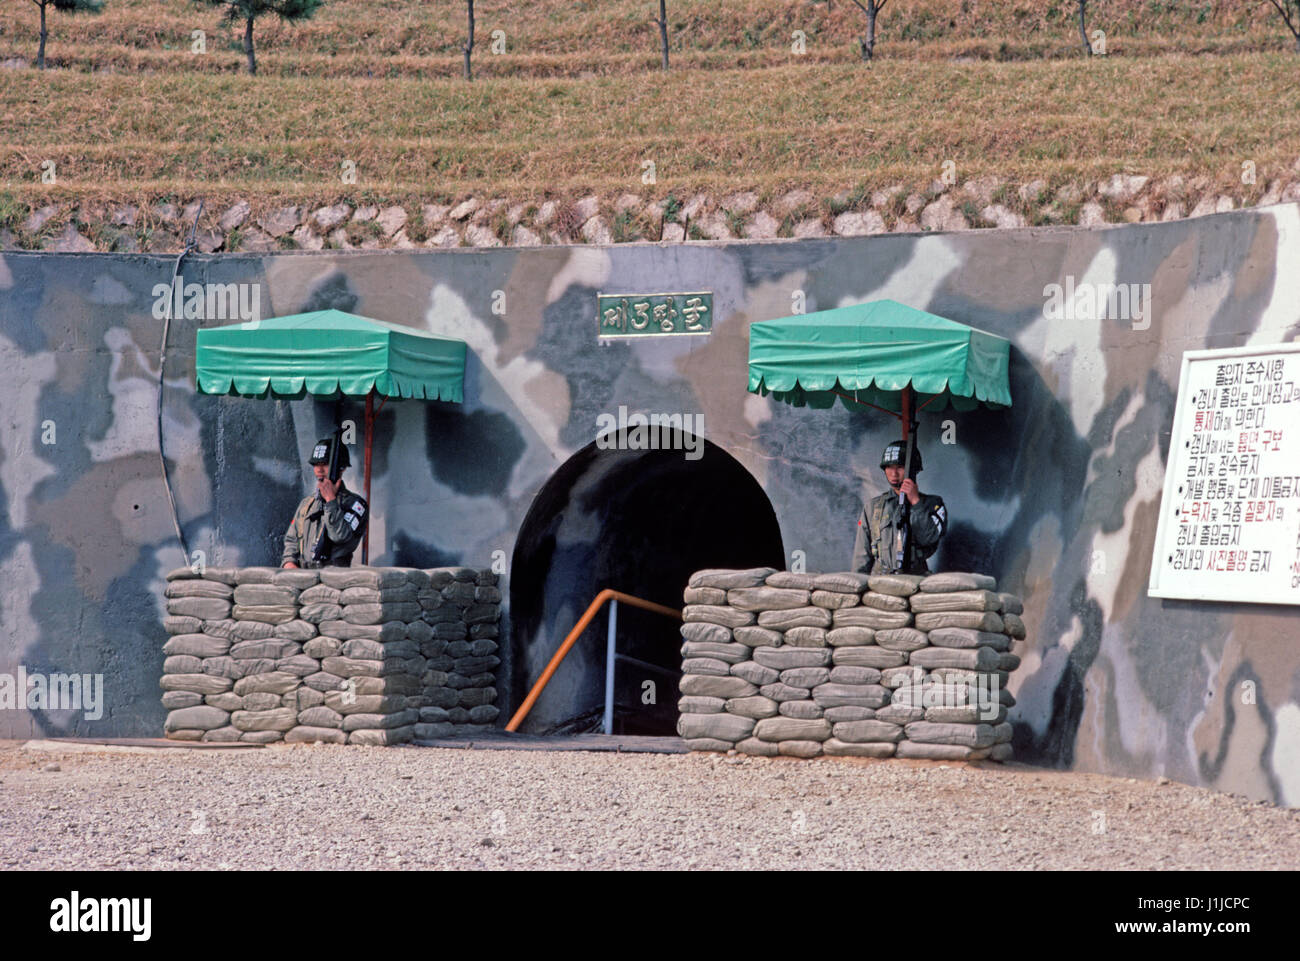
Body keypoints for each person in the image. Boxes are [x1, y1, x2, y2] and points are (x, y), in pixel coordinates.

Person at [851, 439, 947, 575]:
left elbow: (929, 538)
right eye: (889, 467)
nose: (893, 473)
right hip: (880, 581)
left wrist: (915, 502)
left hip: (916, 579)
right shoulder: (872, 507)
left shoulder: (933, 504)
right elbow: (862, 555)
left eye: (900, 467)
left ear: (913, 469)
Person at [281, 435, 368, 569]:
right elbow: (292, 540)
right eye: (316, 464)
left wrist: (330, 501)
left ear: (342, 467)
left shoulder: (355, 504)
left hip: (333, 579)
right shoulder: (307, 504)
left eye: (325, 464)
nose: (319, 470)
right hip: (302, 577)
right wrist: (290, 564)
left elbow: (340, 536)